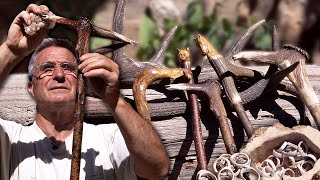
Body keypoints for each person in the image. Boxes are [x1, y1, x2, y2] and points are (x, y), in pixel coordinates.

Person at [0, 4, 169, 180]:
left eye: (68, 67)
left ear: (81, 80)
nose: (59, 75)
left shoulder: (108, 138)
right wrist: (11, 51)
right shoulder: (11, 140)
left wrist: (113, 99)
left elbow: (157, 169)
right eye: (47, 68)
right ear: (31, 88)